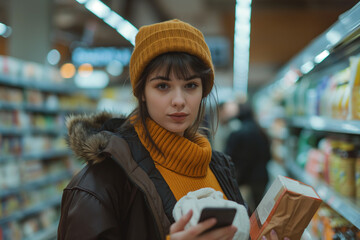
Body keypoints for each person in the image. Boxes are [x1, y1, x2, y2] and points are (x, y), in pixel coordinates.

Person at [57, 19, 287, 240]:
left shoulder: (219, 167)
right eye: (163, 86)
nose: (179, 100)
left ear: (203, 92)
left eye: (190, 85)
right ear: (142, 94)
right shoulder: (101, 183)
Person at [224, 102, 271, 212]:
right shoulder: (262, 132)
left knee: (245, 212)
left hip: (245, 181)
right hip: (261, 178)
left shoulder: (237, 134)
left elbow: (229, 158)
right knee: (259, 212)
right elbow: (268, 156)